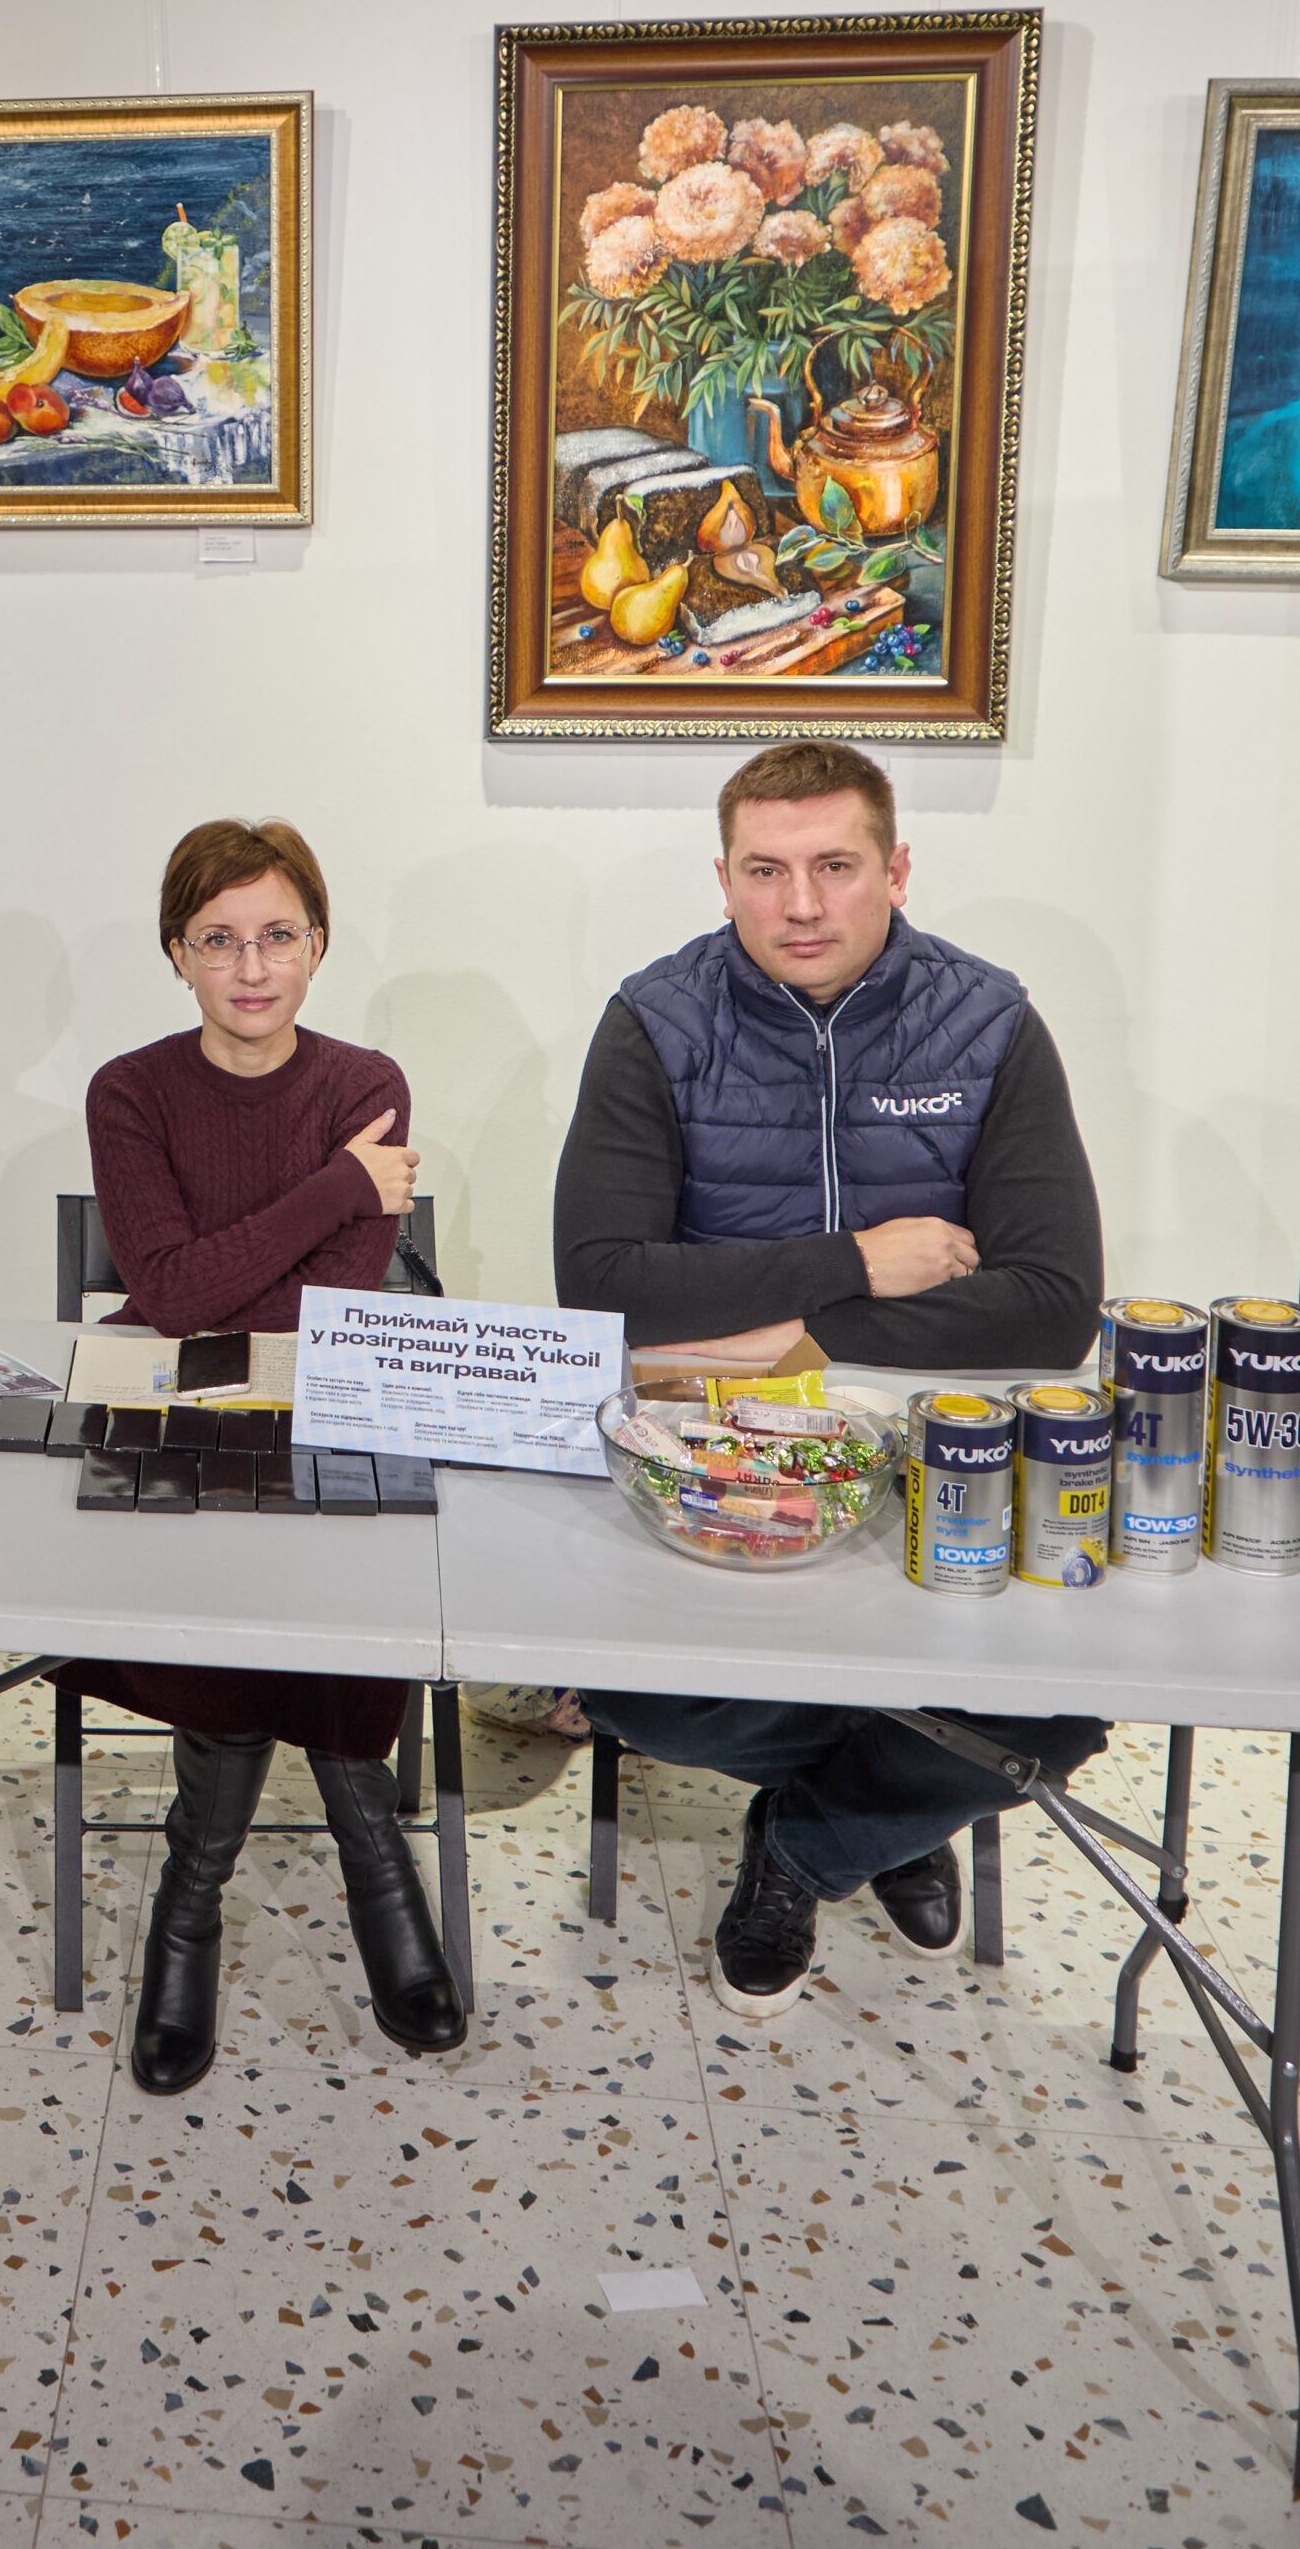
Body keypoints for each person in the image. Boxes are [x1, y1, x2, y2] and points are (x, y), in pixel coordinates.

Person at [553, 739, 1107, 2019]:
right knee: (633, 1692)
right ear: (724, 879)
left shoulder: (990, 1021)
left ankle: (808, 1843)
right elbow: (602, 1285)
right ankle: (894, 1803)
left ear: (896, 870)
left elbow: (1050, 1307)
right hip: (716, 1464)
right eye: (765, 870)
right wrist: (861, 1260)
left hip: (938, 1465)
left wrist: (775, 1329)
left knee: (1065, 1713)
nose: (799, 904)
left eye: (834, 866)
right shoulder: (654, 1020)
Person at [63, 816, 465, 2092]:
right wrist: (339, 1189)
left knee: (332, 1576)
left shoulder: (364, 1082)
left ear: (319, 944)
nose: (250, 967)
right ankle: (317, 1882)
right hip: (174, 1424)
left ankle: (210, 1894)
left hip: (326, 1407)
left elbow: (325, 1313)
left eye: (277, 935)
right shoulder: (129, 1091)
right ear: (176, 953)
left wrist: (225, 1274)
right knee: (233, 1588)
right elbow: (171, 1294)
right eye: (218, 939)